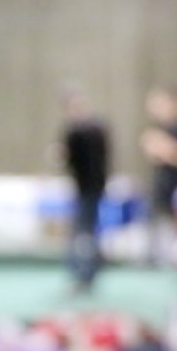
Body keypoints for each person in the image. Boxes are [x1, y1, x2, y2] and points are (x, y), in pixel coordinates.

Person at [138, 85, 177, 265]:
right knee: (155, 227)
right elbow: (152, 152)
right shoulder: (159, 129)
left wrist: (162, 146)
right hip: (160, 186)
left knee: (175, 229)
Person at [60, 88, 111, 293]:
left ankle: (85, 273)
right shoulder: (97, 129)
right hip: (88, 189)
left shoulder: (79, 132)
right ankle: (88, 271)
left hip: (88, 190)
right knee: (87, 233)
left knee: (83, 235)